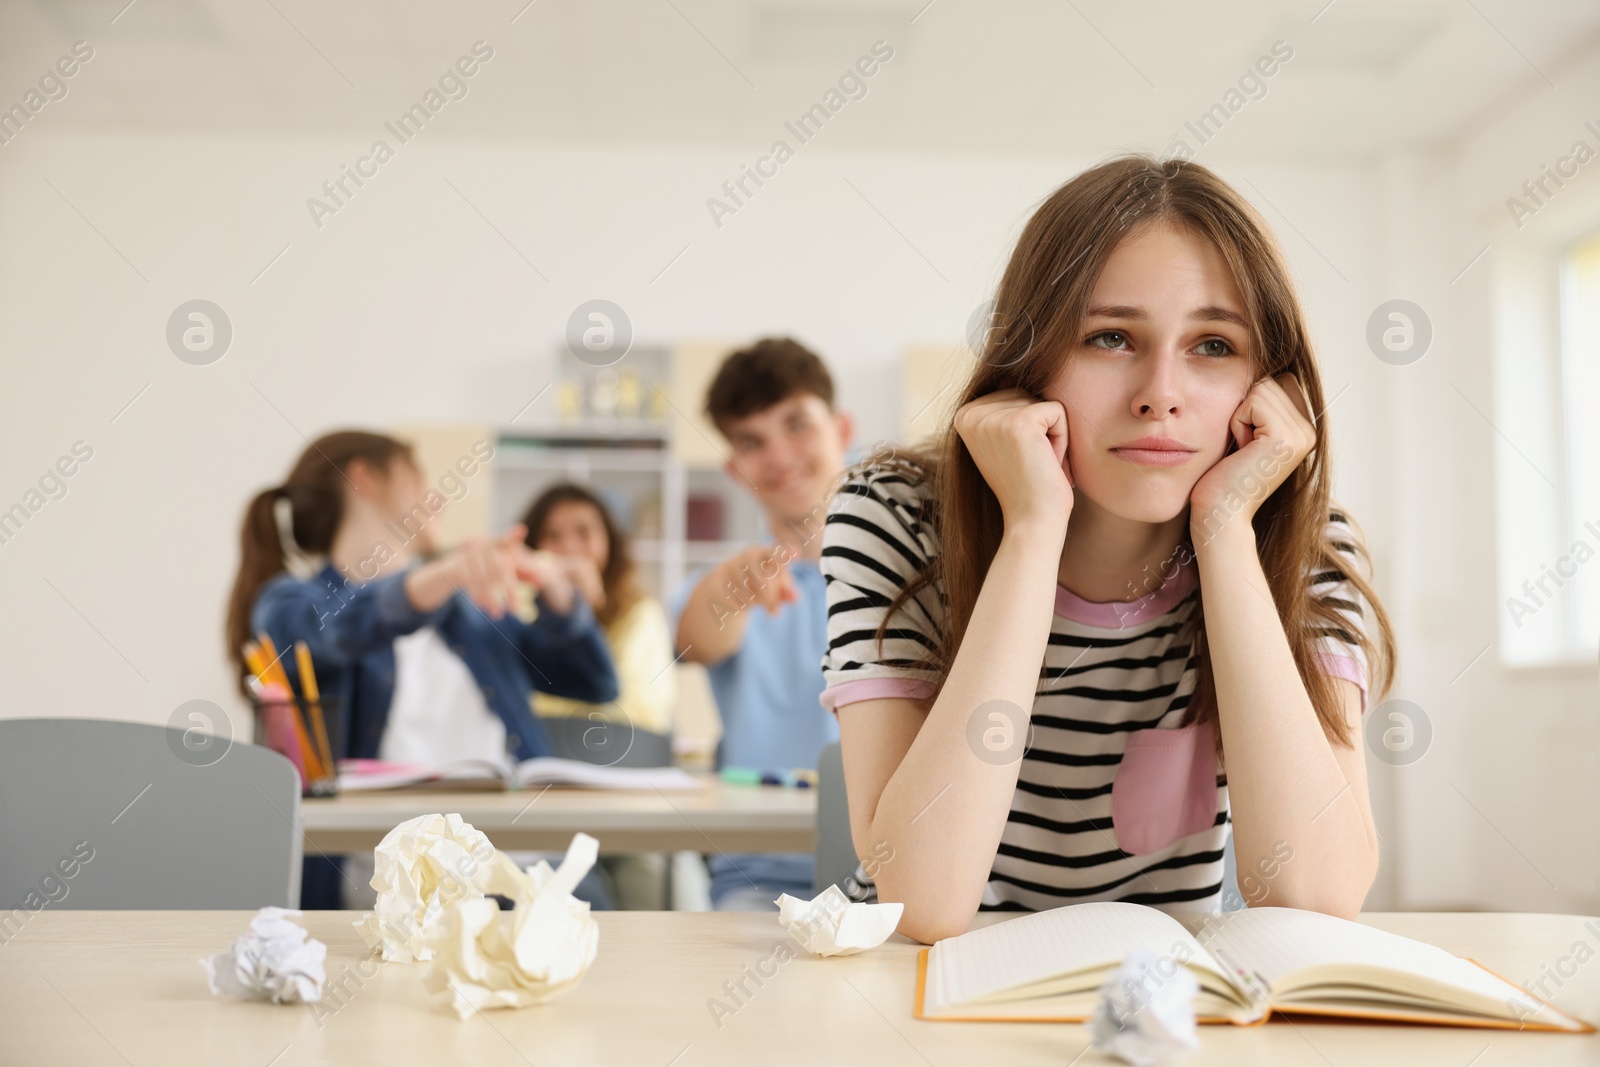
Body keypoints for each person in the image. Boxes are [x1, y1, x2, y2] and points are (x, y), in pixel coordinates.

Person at [819, 154, 1398, 944]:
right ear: (1031, 357)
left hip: (1146, 1004)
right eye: (1112, 336)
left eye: (1214, 346)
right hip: (912, 990)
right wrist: (1030, 530)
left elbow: (1317, 894)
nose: (1161, 392)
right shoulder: (895, 513)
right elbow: (921, 902)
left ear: (1270, 386)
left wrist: (1225, 529)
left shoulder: (1300, 545)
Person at [225, 431, 620, 910]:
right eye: (417, 479)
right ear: (363, 480)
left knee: (585, 910)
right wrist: (443, 574)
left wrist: (560, 595)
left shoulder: (469, 609)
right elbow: (335, 631)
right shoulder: (290, 602)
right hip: (389, 879)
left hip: (518, 857)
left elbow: (595, 684)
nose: (436, 498)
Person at [671, 338, 854, 910]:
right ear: (734, 468)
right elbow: (697, 640)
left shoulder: (921, 573)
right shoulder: (726, 585)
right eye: (752, 442)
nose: (778, 457)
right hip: (763, 888)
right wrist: (731, 589)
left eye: (796, 424)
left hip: (901, 878)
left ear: (841, 429)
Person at [523, 482, 678, 908]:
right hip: (544, 803)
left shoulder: (641, 613)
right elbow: (524, 707)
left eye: (584, 532)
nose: (569, 547)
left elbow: (643, 709)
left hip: (626, 797)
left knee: (643, 879)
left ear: (610, 542)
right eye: (552, 536)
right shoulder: (518, 615)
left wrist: (583, 618)